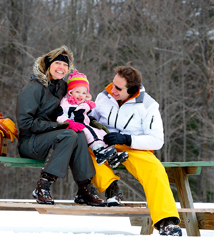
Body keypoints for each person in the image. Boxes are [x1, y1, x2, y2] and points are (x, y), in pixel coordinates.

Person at [89, 65, 182, 236]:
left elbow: (157, 140)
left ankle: (165, 220)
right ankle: (111, 188)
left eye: (118, 88)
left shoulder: (148, 105)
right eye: (112, 83)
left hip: (134, 147)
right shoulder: (103, 96)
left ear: (132, 90)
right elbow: (91, 119)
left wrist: (127, 139)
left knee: (155, 170)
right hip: (103, 144)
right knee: (85, 150)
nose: (112, 89)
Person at [16, 45, 106, 207]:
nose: (61, 68)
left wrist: (92, 124)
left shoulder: (63, 87)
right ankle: (42, 187)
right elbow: (25, 123)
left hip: (57, 139)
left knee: (79, 133)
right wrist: (60, 126)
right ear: (48, 65)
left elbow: (77, 109)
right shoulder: (33, 88)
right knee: (70, 133)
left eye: (65, 65)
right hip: (31, 142)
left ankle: (84, 189)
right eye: (58, 63)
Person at [56, 69, 129, 166]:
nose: (81, 95)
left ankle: (113, 155)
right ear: (70, 92)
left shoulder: (85, 104)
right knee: (90, 133)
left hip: (85, 124)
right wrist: (69, 122)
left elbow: (89, 116)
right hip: (75, 127)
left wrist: (93, 121)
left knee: (101, 131)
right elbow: (59, 116)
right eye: (77, 92)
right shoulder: (66, 103)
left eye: (84, 93)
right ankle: (98, 152)